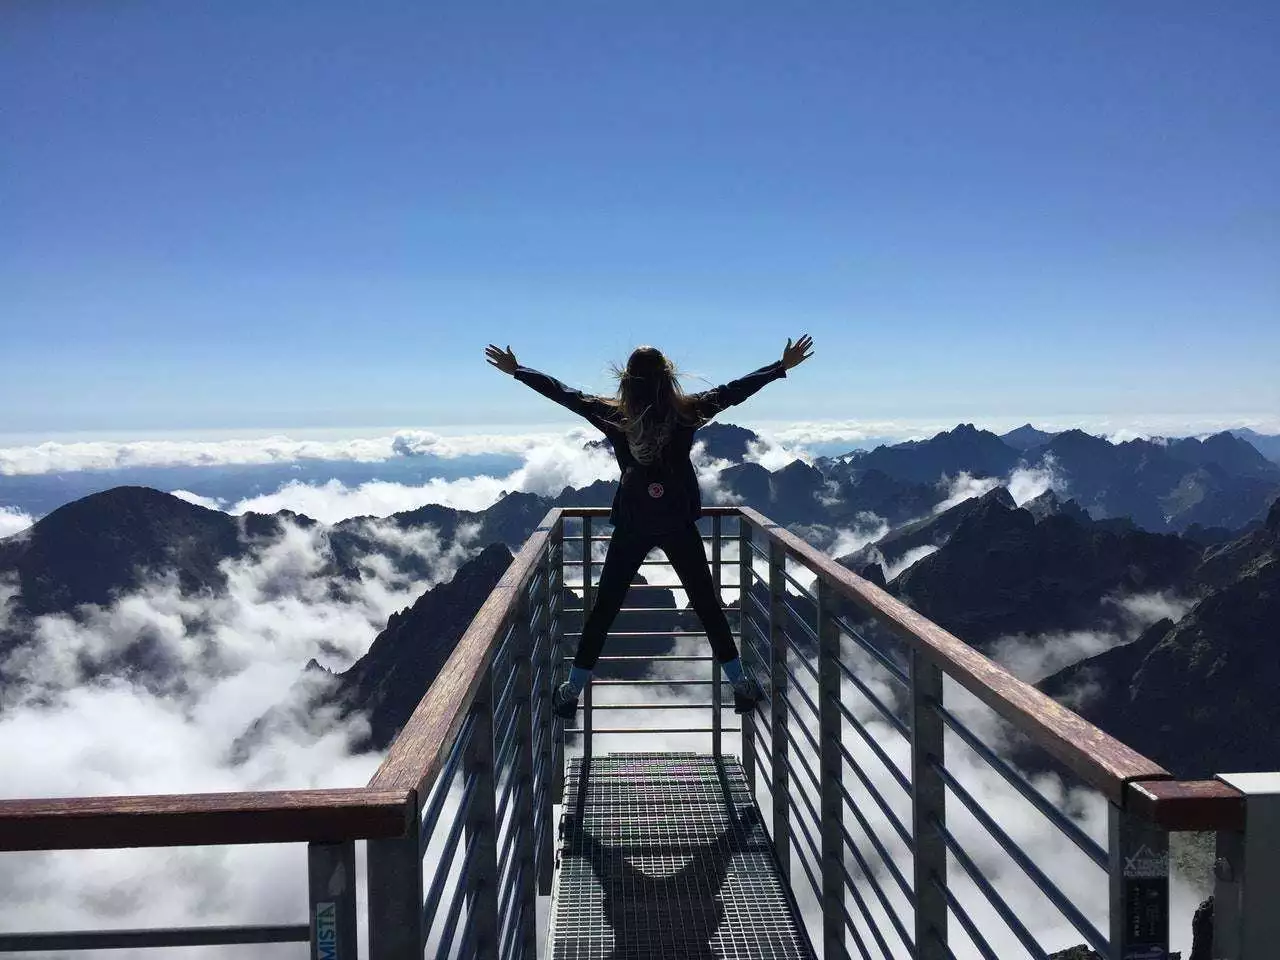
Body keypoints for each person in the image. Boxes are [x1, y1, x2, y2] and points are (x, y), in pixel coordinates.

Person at [484, 336, 815, 720]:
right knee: (707, 605)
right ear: (668, 377)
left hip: (633, 522)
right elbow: (735, 391)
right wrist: (780, 366)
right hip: (676, 521)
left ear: (627, 380)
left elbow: (565, 395)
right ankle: (740, 683)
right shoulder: (688, 412)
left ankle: (571, 690)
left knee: (605, 607)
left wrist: (519, 371)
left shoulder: (614, 416)